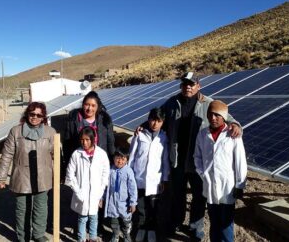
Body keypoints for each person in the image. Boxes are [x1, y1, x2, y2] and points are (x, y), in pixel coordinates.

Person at [136, 72, 242, 240]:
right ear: (181, 85)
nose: (188, 86)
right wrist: (143, 126)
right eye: (185, 83)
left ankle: (195, 227)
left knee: (199, 196)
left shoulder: (208, 103)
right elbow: (158, 116)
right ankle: (177, 221)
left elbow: (227, 117)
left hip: (199, 160)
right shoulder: (172, 102)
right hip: (176, 158)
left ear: (198, 85)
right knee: (177, 194)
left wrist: (236, 125)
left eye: (192, 84)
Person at [0, 102, 56, 242]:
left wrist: (59, 174)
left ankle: (38, 234)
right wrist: (1, 177)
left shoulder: (50, 132)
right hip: (22, 177)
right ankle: (23, 237)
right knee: (22, 210)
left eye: (38, 115)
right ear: (27, 114)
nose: (34, 117)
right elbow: (7, 155)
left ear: (43, 117)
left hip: (43, 177)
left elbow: (56, 155)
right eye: (32, 114)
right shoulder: (15, 131)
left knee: (41, 208)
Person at [194, 100, 247, 242]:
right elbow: (197, 157)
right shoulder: (203, 134)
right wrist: (202, 173)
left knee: (226, 223)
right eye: (210, 114)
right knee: (214, 221)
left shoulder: (232, 135)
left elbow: (240, 161)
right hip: (210, 185)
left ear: (224, 117)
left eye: (217, 115)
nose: (213, 118)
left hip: (227, 187)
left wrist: (240, 185)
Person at [63, 91, 115, 236]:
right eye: (87, 104)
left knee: (97, 192)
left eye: (93, 105)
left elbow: (110, 140)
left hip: (99, 161)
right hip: (80, 161)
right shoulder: (74, 118)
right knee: (80, 192)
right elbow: (67, 142)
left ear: (97, 107)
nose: (89, 108)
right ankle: (80, 224)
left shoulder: (104, 119)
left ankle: (97, 226)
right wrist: (65, 164)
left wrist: (112, 159)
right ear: (83, 104)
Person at [129, 107, 170, 242]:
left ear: (163, 122)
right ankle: (141, 228)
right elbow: (132, 157)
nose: (155, 124)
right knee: (140, 207)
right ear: (148, 119)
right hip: (139, 179)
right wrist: (130, 176)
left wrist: (164, 179)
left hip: (155, 180)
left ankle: (151, 228)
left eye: (159, 121)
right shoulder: (139, 135)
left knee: (153, 208)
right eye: (153, 120)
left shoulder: (163, 138)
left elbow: (164, 160)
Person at [65, 126, 110, 242]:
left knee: (94, 217)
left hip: (96, 192)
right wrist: (78, 191)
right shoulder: (76, 154)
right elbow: (70, 175)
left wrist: (101, 191)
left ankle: (93, 238)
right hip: (82, 193)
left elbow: (106, 173)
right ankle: (81, 238)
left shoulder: (101, 154)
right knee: (82, 218)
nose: (84, 142)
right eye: (82, 140)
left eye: (87, 140)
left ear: (93, 139)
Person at [104, 148, 138, 242]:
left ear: (127, 160)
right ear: (114, 158)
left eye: (123, 159)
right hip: (113, 202)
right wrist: (102, 198)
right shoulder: (110, 170)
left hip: (125, 203)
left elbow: (133, 188)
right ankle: (115, 235)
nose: (120, 161)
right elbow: (106, 186)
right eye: (118, 158)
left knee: (126, 222)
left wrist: (133, 202)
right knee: (114, 221)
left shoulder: (128, 171)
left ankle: (126, 235)